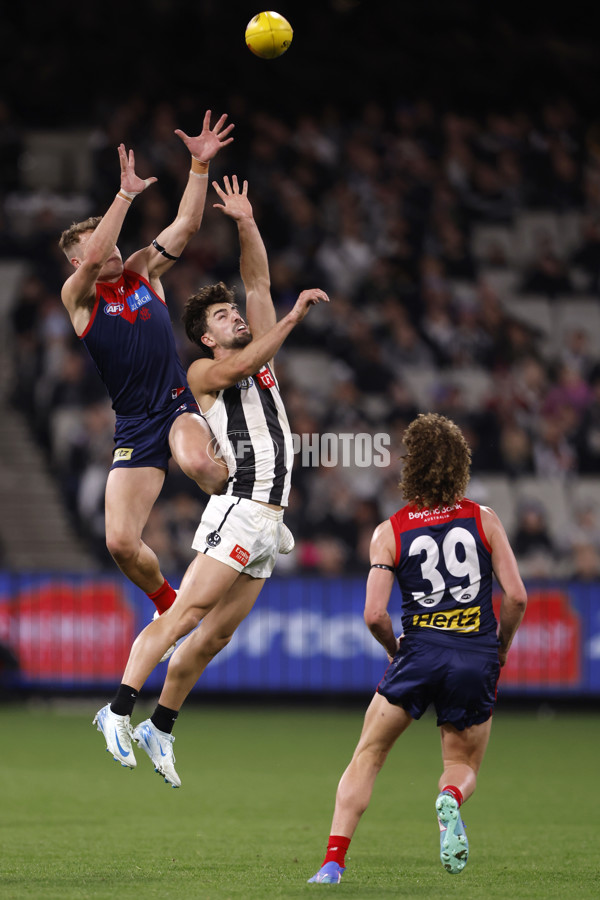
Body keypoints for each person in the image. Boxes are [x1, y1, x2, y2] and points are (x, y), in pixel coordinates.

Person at [93, 175, 330, 780]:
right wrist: (295, 316)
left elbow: (257, 282)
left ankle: (160, 725)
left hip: (270, 520)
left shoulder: (260, 357)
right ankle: (117, 709)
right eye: (224, 317)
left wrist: (247, 223)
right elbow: (250, 356)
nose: (237, 319)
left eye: (234, 314)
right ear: (206, 337)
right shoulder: (201, 373)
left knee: (214, 637)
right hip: (240, 505)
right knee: (181, 618)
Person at [308, 412, 527, 883]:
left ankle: (332, 863)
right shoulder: (483, 520)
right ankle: (450, 799)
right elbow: (517, 597)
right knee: (460, 764)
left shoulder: (390, 531)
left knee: (368, 755)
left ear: (411, 467)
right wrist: (500, 646)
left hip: (420, 653)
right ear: (459, 466)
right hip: (475, 655)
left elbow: (373, 614)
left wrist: (394, 650)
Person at [58, 111, 233, 619]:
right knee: (119, 543)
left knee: (201, 464)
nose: (109, 247)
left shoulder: (140, 270)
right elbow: (92, 262)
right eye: (96, 245)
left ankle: (260, 510)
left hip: (176, 404)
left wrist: (199, 166)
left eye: (111, 239)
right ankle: (169, 605)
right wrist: (124, 195)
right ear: (76, 262)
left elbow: (188, 225)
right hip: (134, 423)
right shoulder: (79, 296)